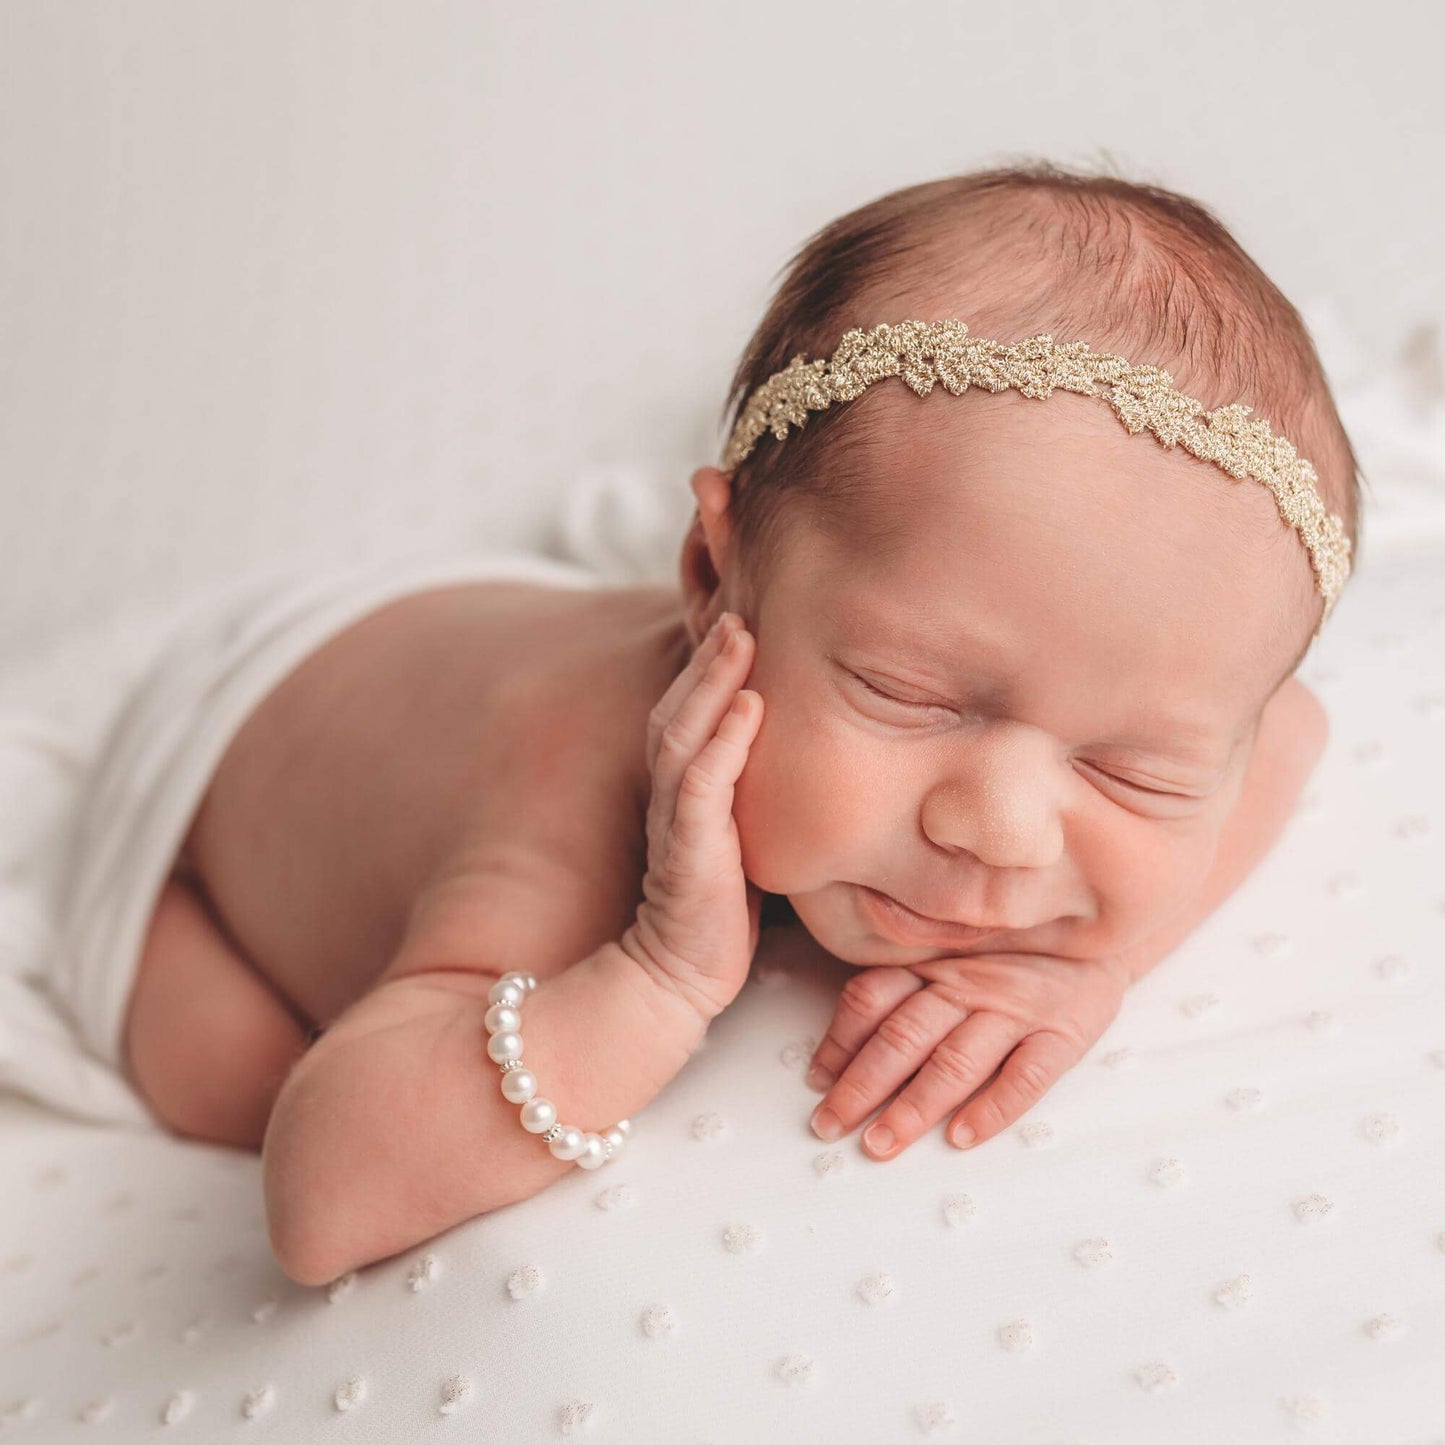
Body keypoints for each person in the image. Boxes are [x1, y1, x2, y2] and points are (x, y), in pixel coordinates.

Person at [74, 160, 1357, 1287]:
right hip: (223, 759)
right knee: (239, 1085)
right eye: (908, 695)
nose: (1004, 831)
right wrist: (654, 978)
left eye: (1132, 768)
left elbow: (1284, 731)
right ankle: (151, 931)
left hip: (507, 632)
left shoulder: (1196, 701)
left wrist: (1085, 963)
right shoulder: (572, 788)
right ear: (705, 571)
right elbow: (321, 1206)